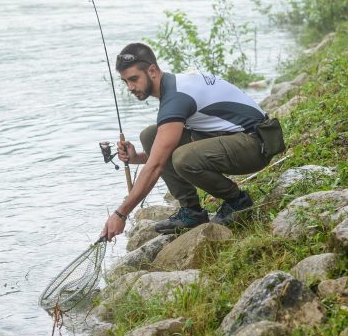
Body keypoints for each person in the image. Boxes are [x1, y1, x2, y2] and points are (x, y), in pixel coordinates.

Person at [99, 43, 282, 240]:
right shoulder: (174, 85)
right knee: (150, 135)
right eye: (125, 81)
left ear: (152, 71)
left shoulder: (176, 97)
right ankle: (192, 212)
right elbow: (162, 151)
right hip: (235, 137)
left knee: (183, 158)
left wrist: (120, 214)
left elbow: (157, 165)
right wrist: (137, 158)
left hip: (257, 144)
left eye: (134, 79)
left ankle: (238, 201)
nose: (130, 87)